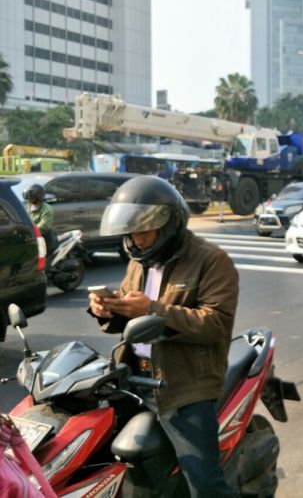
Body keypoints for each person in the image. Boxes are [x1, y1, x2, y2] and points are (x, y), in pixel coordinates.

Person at [87, 176, 239, 497]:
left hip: (185, 387)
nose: (138, 240)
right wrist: (108, 310)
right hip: (135, 379)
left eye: (145, 231)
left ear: (169, 225)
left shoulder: (210, 260)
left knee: (204, 483)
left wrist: (153, 310)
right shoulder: (139, 262)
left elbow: (216, 324)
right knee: (105, 462)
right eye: (133, 232)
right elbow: (132, 312)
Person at [23, 183, 57, 252]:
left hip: (45, 240)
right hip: (31, 238)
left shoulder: (47, 209)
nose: (28, 200)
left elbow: (43, 227)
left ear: (38, 198)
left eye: (30, 198)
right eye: (28, 198)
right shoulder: (27, 207)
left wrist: (30, 233)